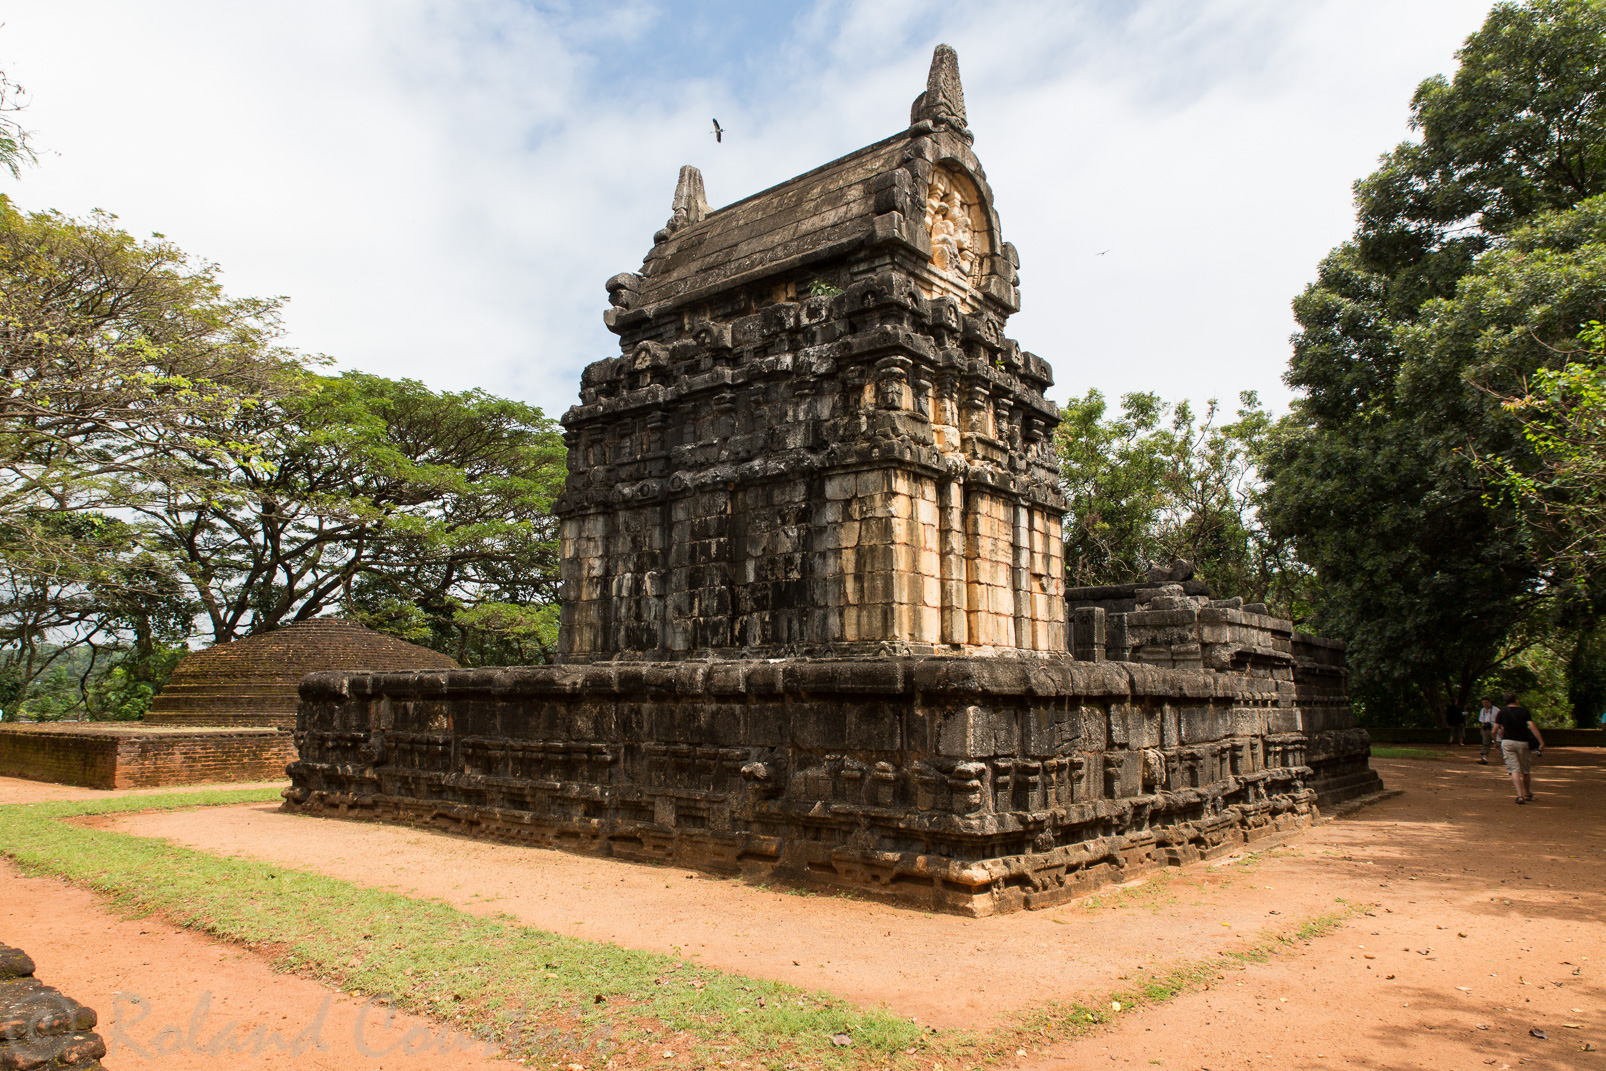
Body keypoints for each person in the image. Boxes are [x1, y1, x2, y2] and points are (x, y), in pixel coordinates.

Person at [1494, 690, 1545, 804]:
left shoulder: (1502, 712)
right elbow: (1532, 726)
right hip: (1522, 742)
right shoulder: (1524, 712)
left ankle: (1519, 795)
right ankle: (1527, 793)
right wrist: (1541, 742)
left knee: (1514, 769)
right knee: (1525, 770)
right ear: (1516, 700)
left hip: (1507, 742)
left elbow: (1494, 730)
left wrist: (1496, 742)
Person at [1477, 697, 1499, 764]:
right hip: (1486, 728)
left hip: (1495, 728)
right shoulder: (1482, 710)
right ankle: (1484, 758)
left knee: (1499, 743)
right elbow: (1481, 721)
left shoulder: (1496, 710)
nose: (1485, 704)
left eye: (1486, 702)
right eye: (1483, 703)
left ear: (1489, 702)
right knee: (1486, 743)